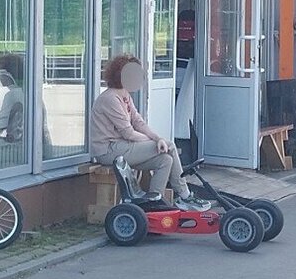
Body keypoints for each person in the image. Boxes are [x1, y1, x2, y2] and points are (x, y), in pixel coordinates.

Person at [90, 53, 211, 212]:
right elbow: (128, 133)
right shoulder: (110, 98)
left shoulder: (125, 95)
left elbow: (138, 122)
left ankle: (154, 203)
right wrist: (156, 142)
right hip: (108, 150)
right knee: (170, 146)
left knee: (165, 160)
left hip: (123, 147)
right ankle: (185, 195)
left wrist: (158, 138)